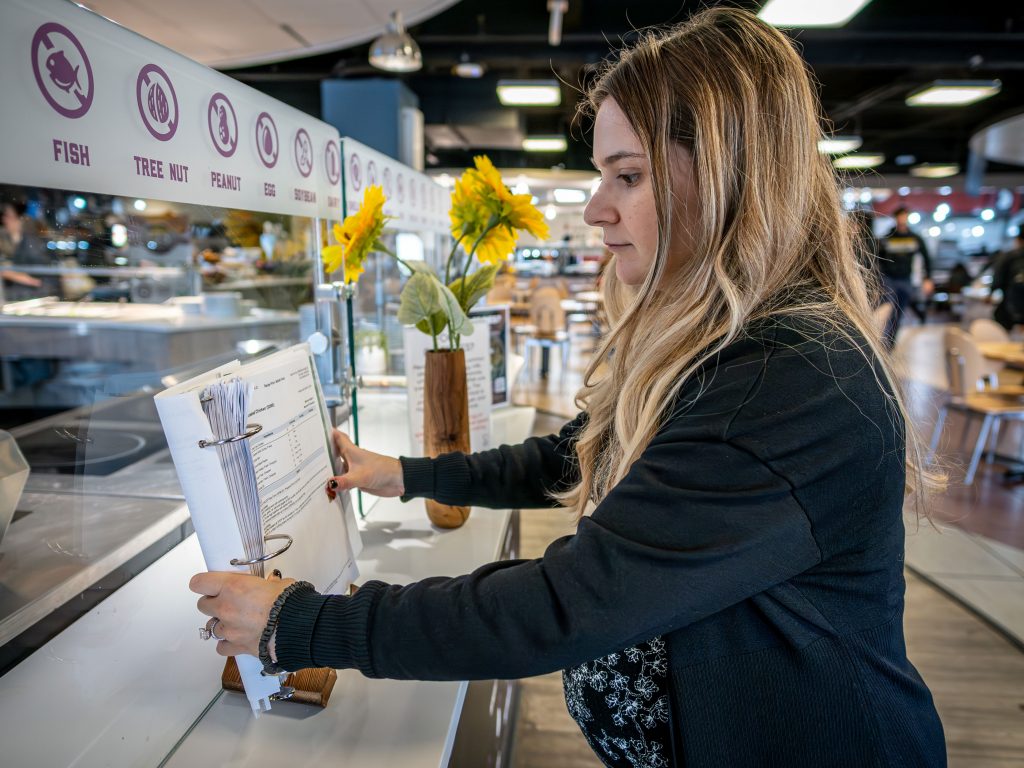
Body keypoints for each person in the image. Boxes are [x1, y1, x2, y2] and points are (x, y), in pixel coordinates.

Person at [189, 9, 946, 767]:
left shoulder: (789, 378)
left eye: (628, 175)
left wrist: (305, 624)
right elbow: (580, 453)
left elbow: (569, 605)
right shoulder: (725, 343)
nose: (594, 209)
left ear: (726, 178)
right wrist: (410, 476)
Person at [877, 206, 934, 347]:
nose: (902, 219)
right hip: (889, 279)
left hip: (905, 280)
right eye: (899, 216)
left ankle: (891, 341)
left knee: (898, 312)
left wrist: (928, 278)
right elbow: (877, 260)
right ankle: (884, 342)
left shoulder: (914, 238)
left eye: (904, 216)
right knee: (889, 310)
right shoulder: (887, 238)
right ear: (896, 218)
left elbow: (927, 258)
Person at [990, 231, 1024, 331]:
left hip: (1011, 307)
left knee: (1004, 332)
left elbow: (998, 278)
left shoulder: (1010, 256)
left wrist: (991, 292)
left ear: (1018, 240)